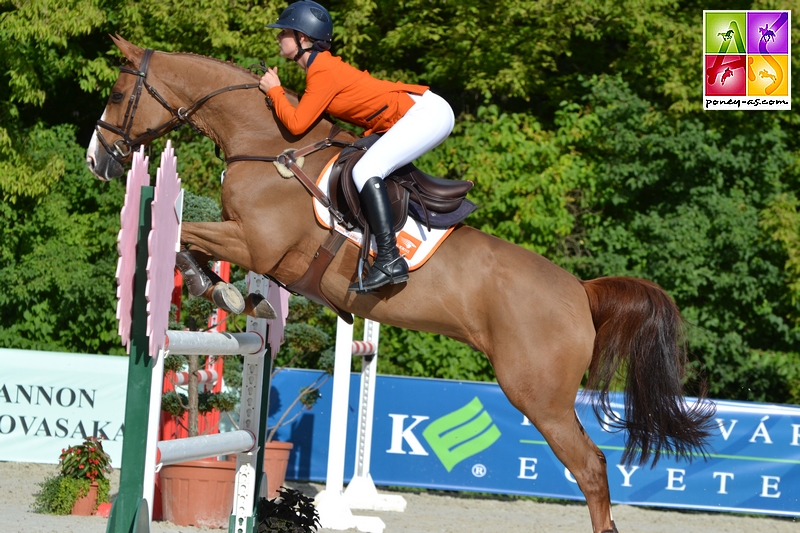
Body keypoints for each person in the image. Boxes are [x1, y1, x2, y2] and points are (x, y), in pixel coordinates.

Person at [259, 0, 455, 294]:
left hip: (427, 113)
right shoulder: (320, 69)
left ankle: (390, 259)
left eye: (283, 32)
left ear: (302, 38)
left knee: (365, 170)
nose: (277, 38)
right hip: (416, 114)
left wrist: (274, 90)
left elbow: (297, 124)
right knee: (363, 163)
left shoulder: (322, 71)